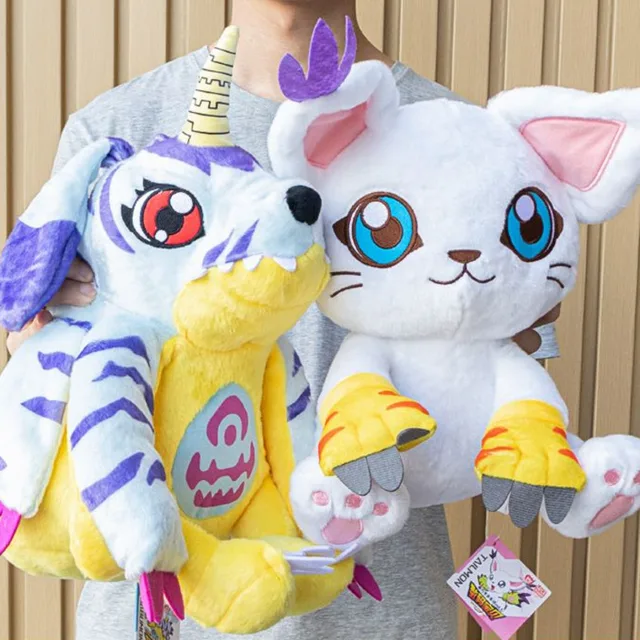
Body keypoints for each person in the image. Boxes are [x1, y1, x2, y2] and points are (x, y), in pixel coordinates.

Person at [6, 1, 560, 638]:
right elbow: (41, 369)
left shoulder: (465, 137)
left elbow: (504, 393)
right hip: (164, 598)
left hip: (375, 605)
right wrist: (33, 325)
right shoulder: (115, 129)